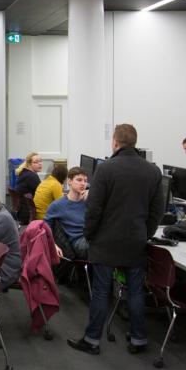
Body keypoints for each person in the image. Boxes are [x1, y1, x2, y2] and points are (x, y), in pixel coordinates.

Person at [68, 124, 165, 356]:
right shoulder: (153, 171)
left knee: (101, 291)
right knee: (136, 292)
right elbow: (156, 211)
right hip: (136, 241)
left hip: (105, 241)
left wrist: (90, 234)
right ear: (134, 142)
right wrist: (147, 233)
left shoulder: (106, 169)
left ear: (115, 142)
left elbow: (94, 208)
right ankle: (139, 339)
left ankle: (92, 340)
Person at [44, 166, 89, 259]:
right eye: (79, 180)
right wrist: (53, 245)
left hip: (91, 237)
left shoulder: (89, 201)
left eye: (85, 181)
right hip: (78, 243)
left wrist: (93, 198)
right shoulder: (57, 205)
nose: (83, 183)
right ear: (69, 181)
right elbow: (45, 229)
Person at [14, 152, 43, 224]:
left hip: (22, 212)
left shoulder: (24, 173)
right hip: (28, 214)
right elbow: (41, 195)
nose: (40, 164)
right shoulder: (32, 176)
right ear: (29, 164)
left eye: (40, 161)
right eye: (36, 162)